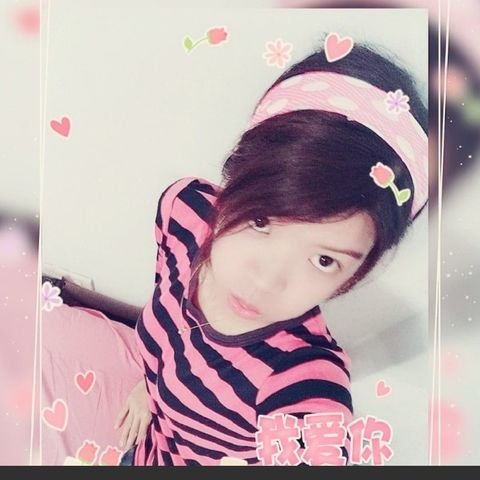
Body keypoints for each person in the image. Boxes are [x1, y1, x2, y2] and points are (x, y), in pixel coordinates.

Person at [115, 35, 427, 466]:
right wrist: (150, 388)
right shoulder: (183, 211)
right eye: (262, 220)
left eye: (324, 260)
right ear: (238, 172)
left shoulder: (298, 374)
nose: (265, 281)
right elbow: (170, 324)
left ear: (352, 275)